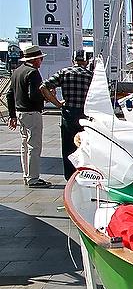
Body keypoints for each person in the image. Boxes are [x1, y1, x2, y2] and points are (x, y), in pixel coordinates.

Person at [40, 49, 94, 181]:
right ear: (86, 61)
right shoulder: (90, 75)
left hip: (68, 112)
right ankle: (83, 172)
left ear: (73, 60)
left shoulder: (64, 72)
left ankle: (69, 176)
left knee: (68, 146)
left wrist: (57, 103)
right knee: (84, 144)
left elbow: (43, 87)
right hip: (85, 114)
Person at [6, 45, 51, 188]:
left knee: (24, 145)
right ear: (35, 59)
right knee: (34, 146)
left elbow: (9, 94)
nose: (42, 61)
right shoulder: (33, 73)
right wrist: (46, 97)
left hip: (20, 113)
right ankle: (33, 178)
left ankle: (27, 175)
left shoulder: (17, 72)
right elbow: (34, 95)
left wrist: (12, 115)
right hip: (32, 112)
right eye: (40, 58)